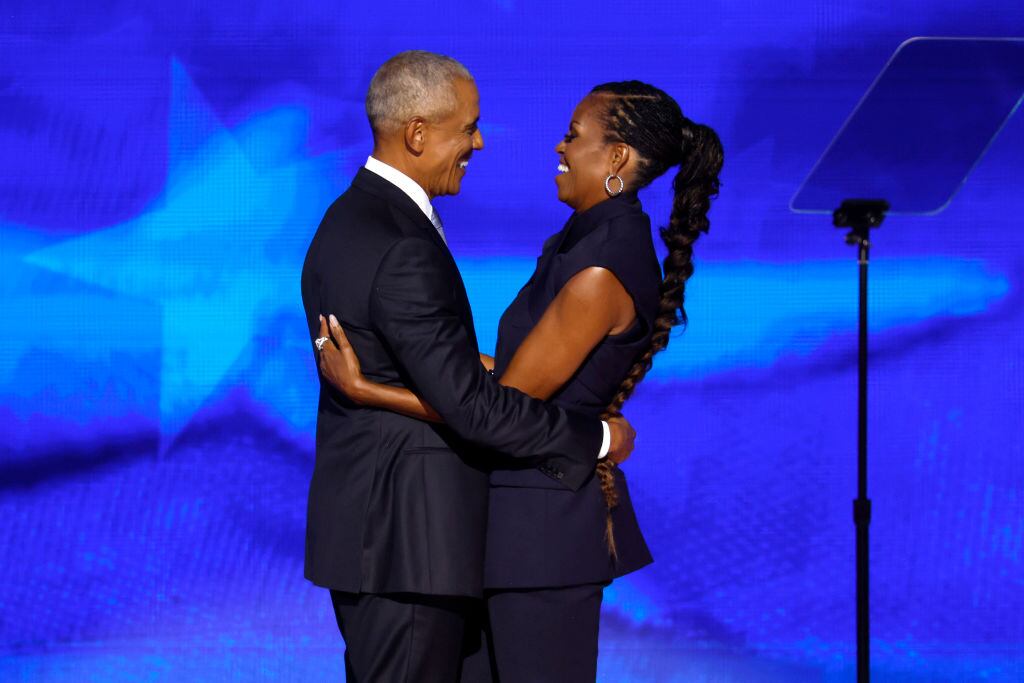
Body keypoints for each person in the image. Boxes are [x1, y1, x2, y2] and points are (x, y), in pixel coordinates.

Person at [317, 80, 724, 682]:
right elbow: (505, 377)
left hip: (544, 539)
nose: (559, 148)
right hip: (509, 530)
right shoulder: (578, 243)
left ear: (616, 158)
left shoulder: (602, 264)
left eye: (574, 136)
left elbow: (496, 406)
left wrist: (366, 389)